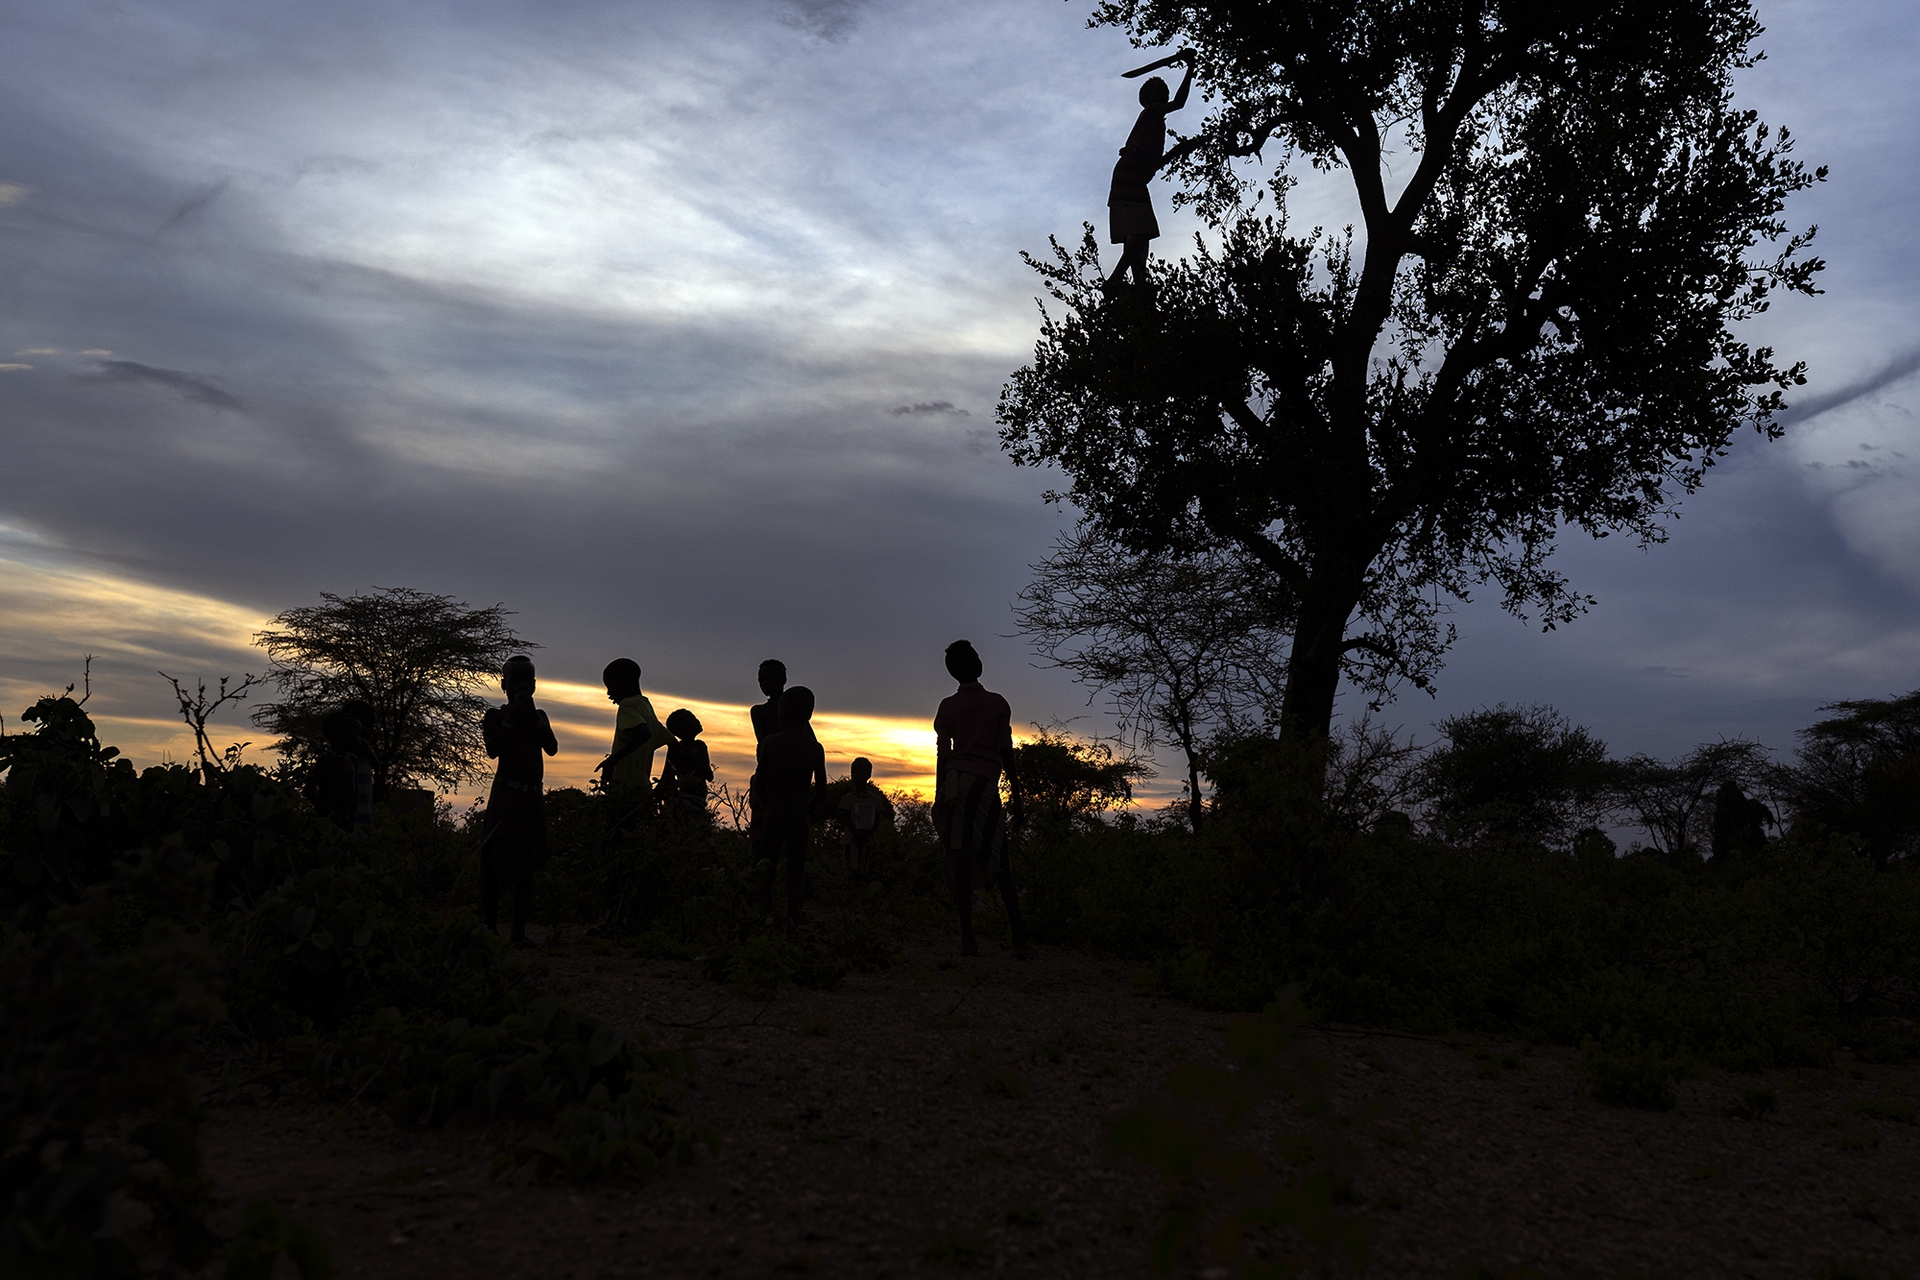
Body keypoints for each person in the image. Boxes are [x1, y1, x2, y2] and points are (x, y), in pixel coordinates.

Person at [933, 640, 1029, 958]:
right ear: (975, 664)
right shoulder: (997, 704)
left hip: (955, 787)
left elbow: (944, 755)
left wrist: (939, 793)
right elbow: (1005, 751)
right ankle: (1019, 941)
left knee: (960, 859)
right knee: (1000, 859)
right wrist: (1017, 794)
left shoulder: (947, 706)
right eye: (975, 656)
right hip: (984, 787)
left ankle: (968, 940)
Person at [479, 655, 558, 946]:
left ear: (534, 685)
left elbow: (552, 747)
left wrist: (534, 716)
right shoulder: (495, 716)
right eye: (516, 681)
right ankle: (489, 926)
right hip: (506, 796)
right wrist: (513, 716)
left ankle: (518, 932)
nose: (522, 687)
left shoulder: (540, 717)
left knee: (528, 865)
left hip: (532, 797)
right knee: (494, 861)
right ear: (504, 684)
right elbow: (493, 749)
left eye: (527, 681)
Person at [1106, 56, 1193, 290]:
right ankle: (1115, 281)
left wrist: (1180, 150)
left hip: (1132, 172)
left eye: (1164, 89)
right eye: (1158, 89)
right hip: (1130, 171)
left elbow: (1153, 163)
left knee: (1136, 235)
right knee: (1142, 231)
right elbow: (1179, 103)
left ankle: (1139, 287)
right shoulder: (1151, 112)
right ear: (1147, 99)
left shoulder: (1153, 126)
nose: (1164, 92)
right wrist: (1191, 69)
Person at [755, 685, 827, 930]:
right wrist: (806, 810)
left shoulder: (771, 742)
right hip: (799, 815)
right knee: (796, 869)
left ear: (782, 712)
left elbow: (760, 782)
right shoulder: (815, 748)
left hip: (774, 811)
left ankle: (764, 914)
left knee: (766, 865)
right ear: (809, 715)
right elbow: (822, 793)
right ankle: (794, 918)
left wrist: (769, 804)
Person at [595, 657, 671, 824]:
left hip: (624, 793)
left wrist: (612, 761)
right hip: (643, 791)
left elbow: (643, 733)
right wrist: (663, 783)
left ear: (624, 682)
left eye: (611, 687)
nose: (609, 694)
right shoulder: (646, 706)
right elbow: (672, 744)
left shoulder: (627, 705)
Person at [747, 658, 787, 861]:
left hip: (789, 777)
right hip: (768, 773)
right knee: (761, 835)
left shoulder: (795, 710)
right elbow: (764, 744)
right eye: (761, 680)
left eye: (769, 679)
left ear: (783, 679)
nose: (764, 684)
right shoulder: (759, 711)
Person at [306, 711, 366, 833]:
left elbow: (355, 792)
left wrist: (352, 817)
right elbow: (308, 790)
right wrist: (329, 813)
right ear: (340, 735)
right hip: (326, 823)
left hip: (346, 822)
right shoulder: (325, 760)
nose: (360, 739)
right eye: (356, 734)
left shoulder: (352, 760)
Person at [835, 756, 893, 875]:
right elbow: (845, 818)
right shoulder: (848, 799)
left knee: (866, 869)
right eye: (853, 773)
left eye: (859, 773)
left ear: (868, 775)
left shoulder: (875, 800)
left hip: (868, 842)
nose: (856, 776)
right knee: (850, 870)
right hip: (851, 841)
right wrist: (856, 833)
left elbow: (878, 820)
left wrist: (868, 833)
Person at [659, 708, 714, 813]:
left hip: (700, 801)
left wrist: (695, 757)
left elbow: (709, 776)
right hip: (685, 800)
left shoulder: (700, 746)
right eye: (692, 720)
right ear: (682, 729)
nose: (697, 721)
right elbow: (668, 776)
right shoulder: (678, 749)